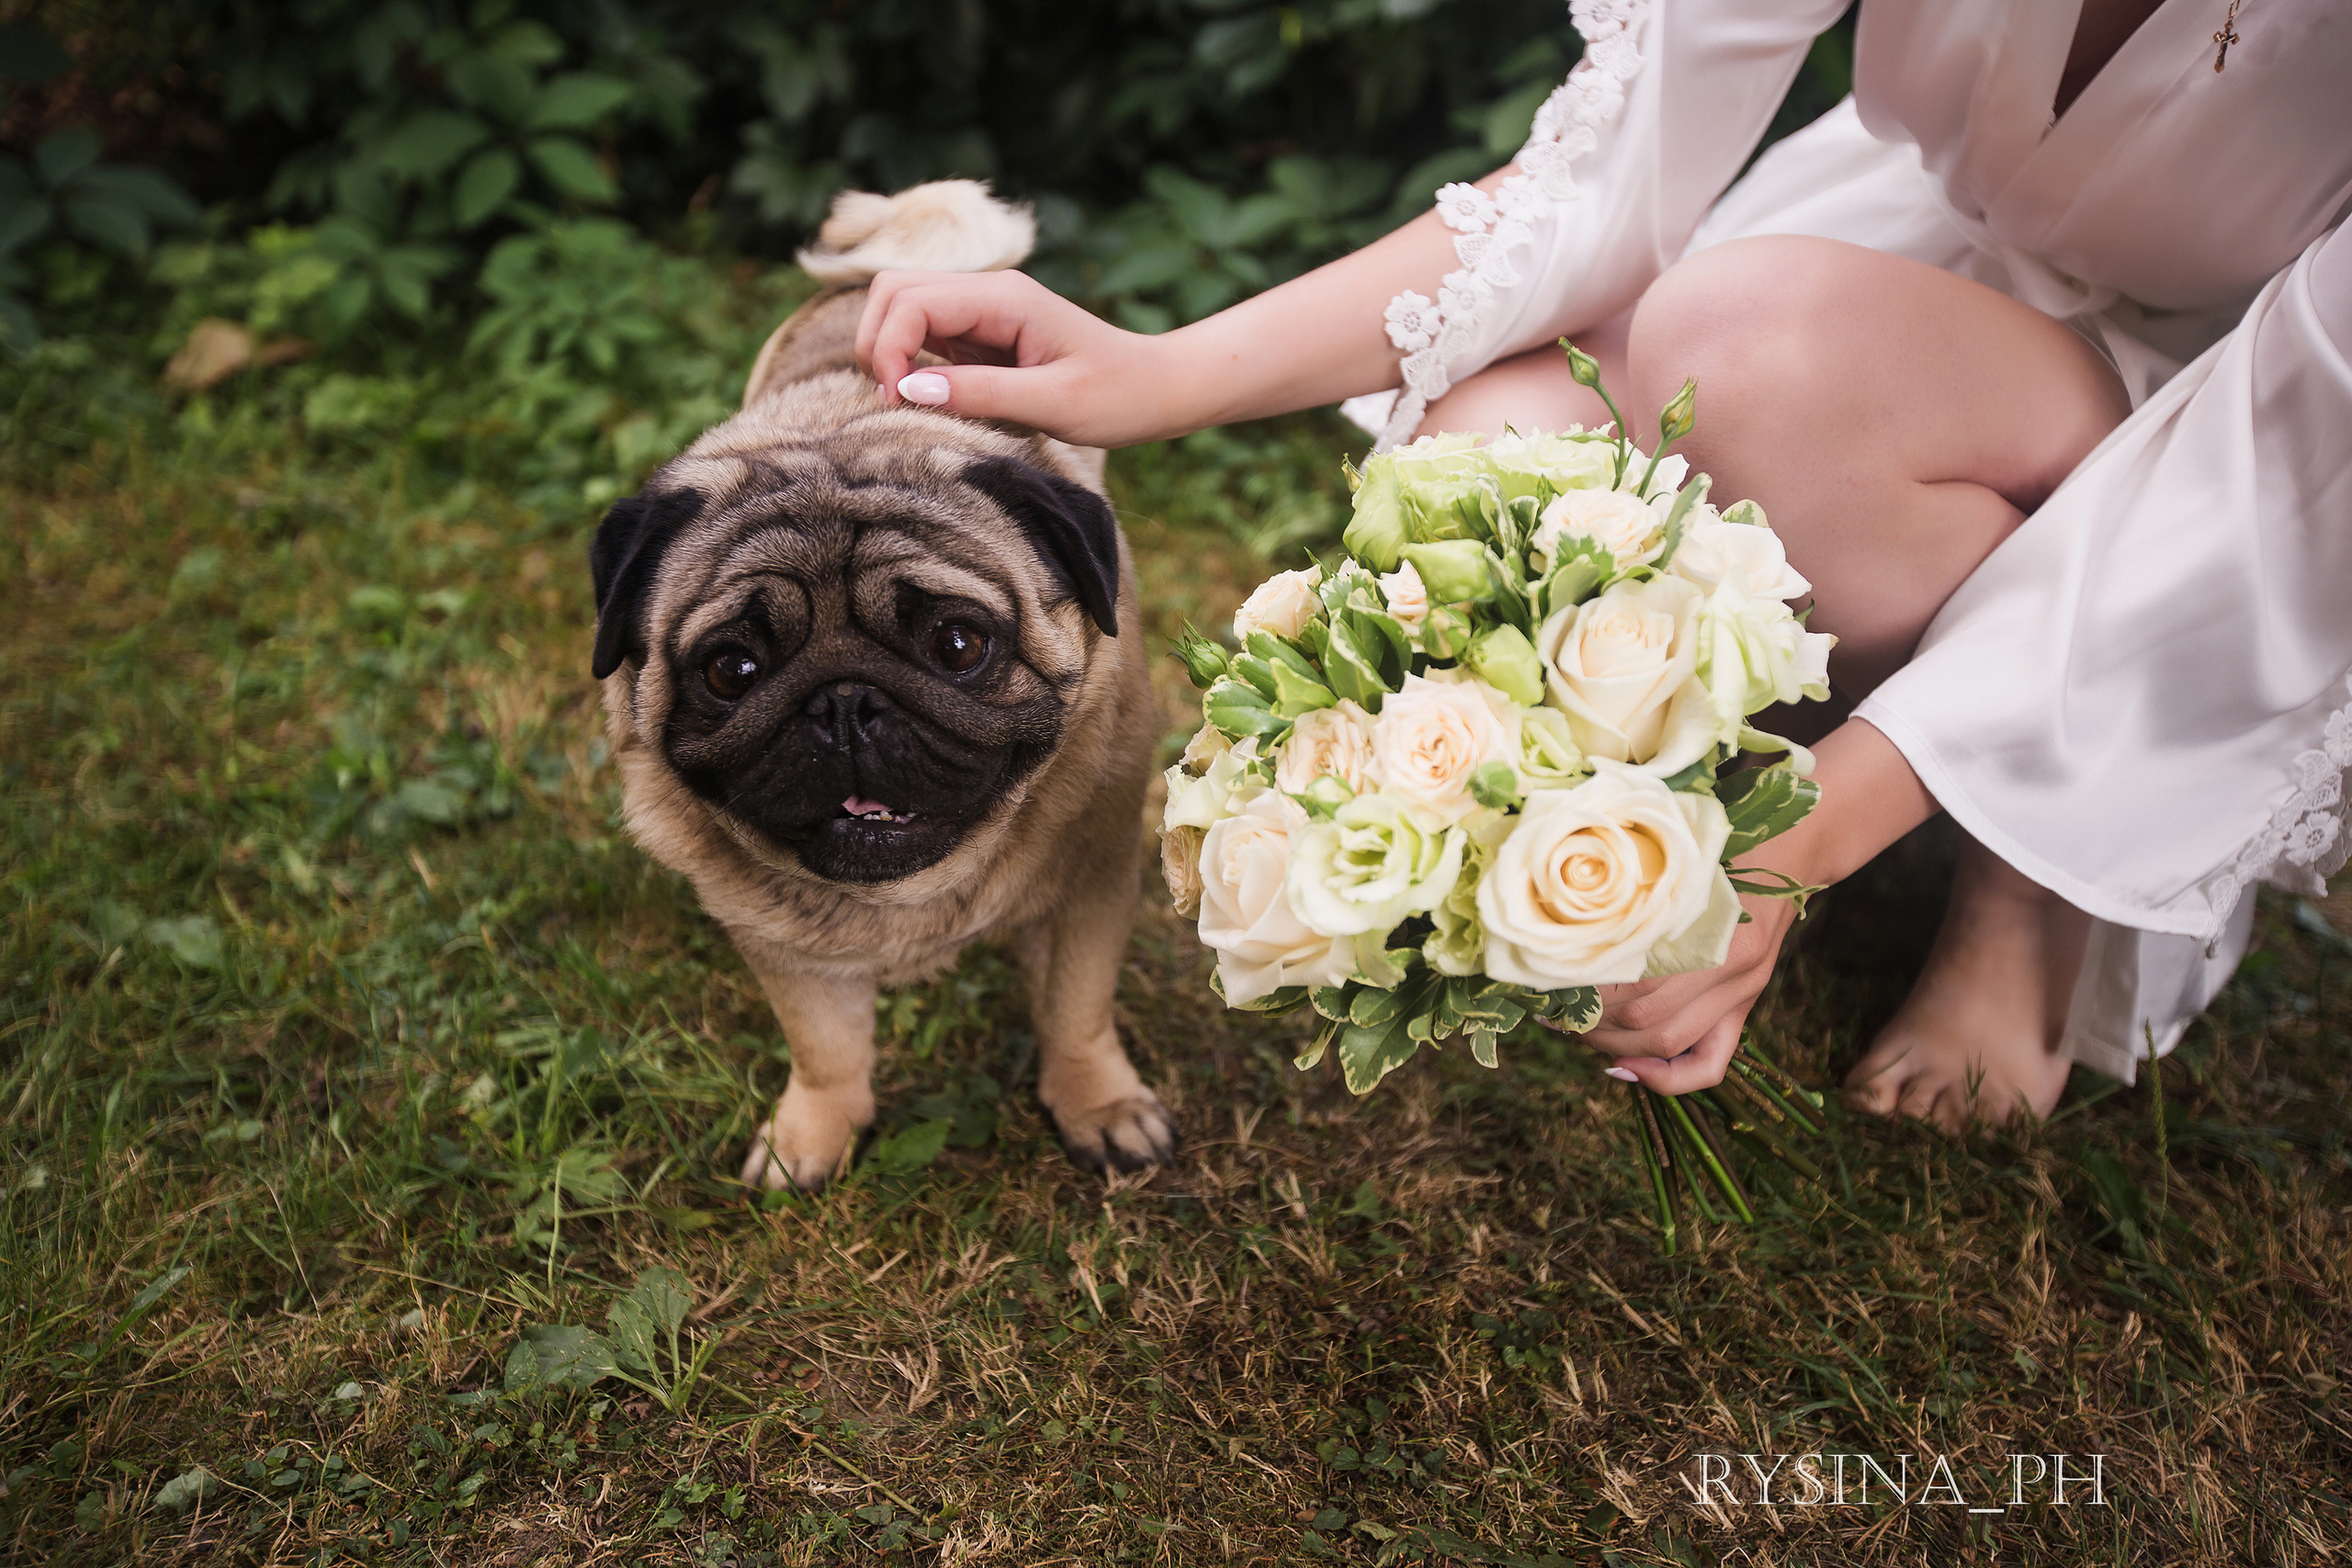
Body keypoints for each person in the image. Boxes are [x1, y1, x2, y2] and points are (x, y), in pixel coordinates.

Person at [849, 0, 2352, 1130]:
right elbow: (1605, 167)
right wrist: (1161, 373)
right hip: (1905, 284)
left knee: (1748, 348)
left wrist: (1797, 848)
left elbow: (2277, 478)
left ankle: (2024, 880)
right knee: (1483, 458)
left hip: (2237, 406)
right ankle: (1823, 702)